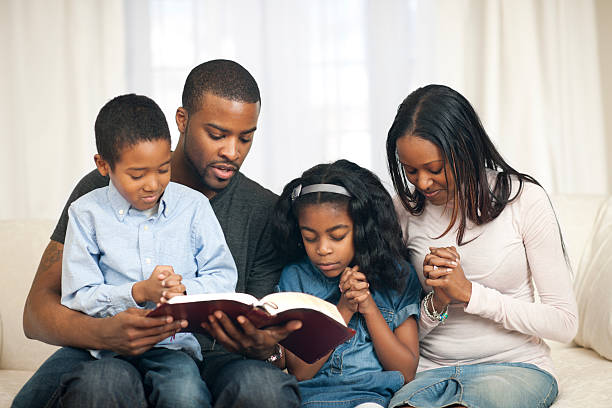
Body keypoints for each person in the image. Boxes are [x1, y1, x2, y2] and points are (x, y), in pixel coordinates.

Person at [14, 60, 301, 408]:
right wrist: (104, 333)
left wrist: (266, 348)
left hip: (211, 359)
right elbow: (36, 312)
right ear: (182, 120)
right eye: (216, 134)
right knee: (103, 382)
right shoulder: (104, 190)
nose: (232, 151)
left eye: (246, 137)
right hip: (109, 351)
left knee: (263, 390)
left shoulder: (264, 211)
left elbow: (258, 319)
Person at [385, 84, 578, 408]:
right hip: (432, 372)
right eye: (410, 170)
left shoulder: (523, 200)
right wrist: (438, 301)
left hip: (516, 367)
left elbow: (564, 323)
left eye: (434, 169)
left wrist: (470, 293)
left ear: (465, 150)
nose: (422, 183)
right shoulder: (402, 211)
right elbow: (396, 333)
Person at [59, 93, 238, 407]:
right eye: (137, 175)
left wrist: (184, 290)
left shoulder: (193, 206)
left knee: (184, 394)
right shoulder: (86, 213)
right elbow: (78, 295)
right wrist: (138, 292)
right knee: (96, 387)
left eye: (163, 169)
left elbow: (222, 277)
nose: (153, 184)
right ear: (103, 165)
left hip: (173, 348)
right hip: (109, 350)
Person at [271, 159, 422, 408]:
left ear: (364, 229)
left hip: (371, 399)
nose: (322, 249)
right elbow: (301, 371)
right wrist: (344, 309)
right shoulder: (295, 278)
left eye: (337, 236)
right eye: (309, 237)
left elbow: (405, 372)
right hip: (310, 399)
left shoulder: (399, 276)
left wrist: (369, 307)